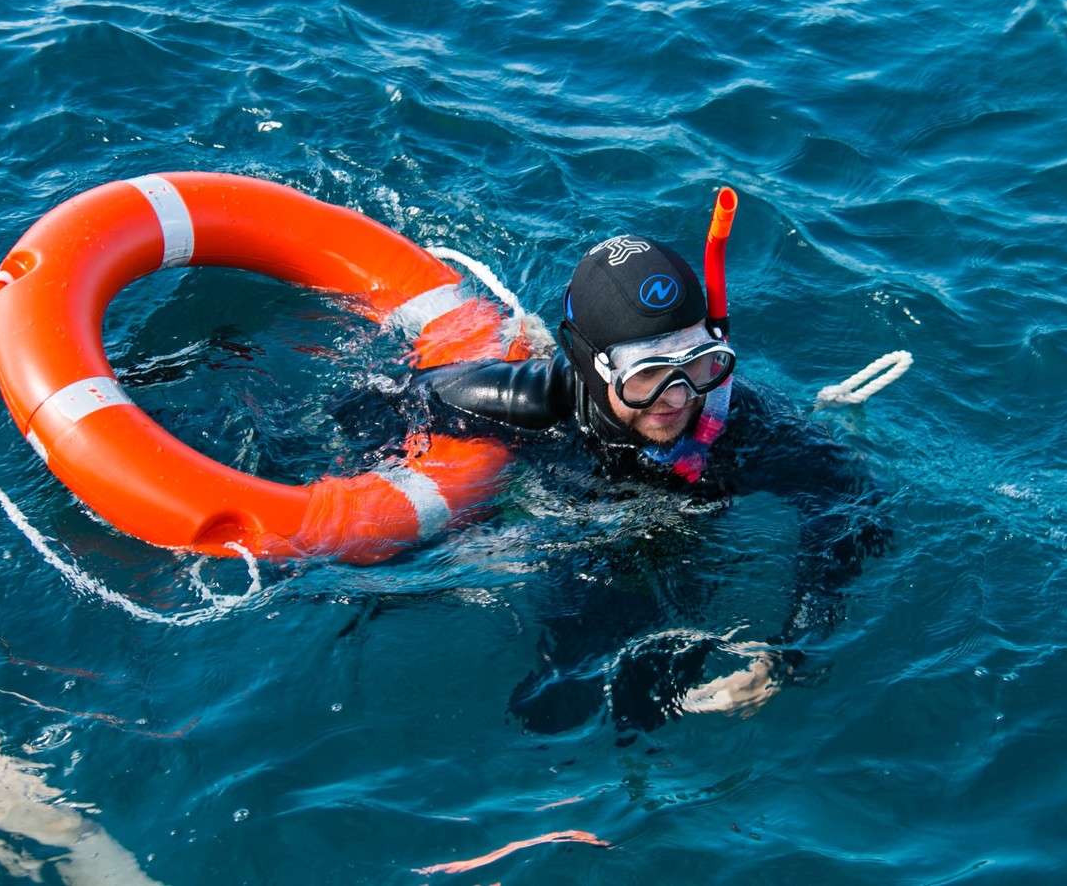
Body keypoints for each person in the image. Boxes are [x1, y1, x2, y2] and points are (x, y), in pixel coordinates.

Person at [333, 233, 889, 737]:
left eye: (698, 362)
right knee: (553, 712)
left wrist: (786, 654)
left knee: (646, 715)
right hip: (561, 540)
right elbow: (373, 404)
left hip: (682, 549)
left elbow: (852, 503)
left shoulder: (741, 423)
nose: (678, 396)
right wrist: (443, 495)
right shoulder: (526, 405)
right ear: (587, 362)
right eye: (646, 374)